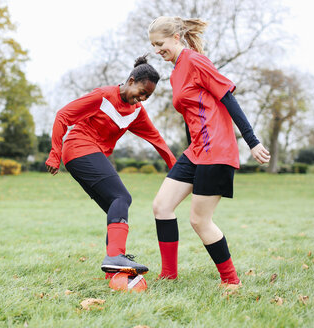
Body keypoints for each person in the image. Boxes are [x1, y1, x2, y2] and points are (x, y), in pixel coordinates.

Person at [147, 16, 270, 287]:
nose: (157, 50)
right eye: (153, 46)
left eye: (160, 44)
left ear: (176, 37)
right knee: (162, 206)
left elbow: (228, 98)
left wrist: (252, 141)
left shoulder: (195, 61)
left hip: (216, 149)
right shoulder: (176, 70)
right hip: (196, 151)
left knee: (199, 220)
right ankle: (169, 275)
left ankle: (231, 281)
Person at [46, 55, 177, 278]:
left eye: (148, 96)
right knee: (122, 198)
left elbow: (157, 139)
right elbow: (63, 115)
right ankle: (115, 257)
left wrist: (177, 169)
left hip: (87, 155)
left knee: (115, 208)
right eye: (142, 92)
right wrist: (54, 153)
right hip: (79, 148)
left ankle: (114, 271)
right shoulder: (103, 96)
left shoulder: (136, 112)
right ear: (132, 80)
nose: (142, 99)